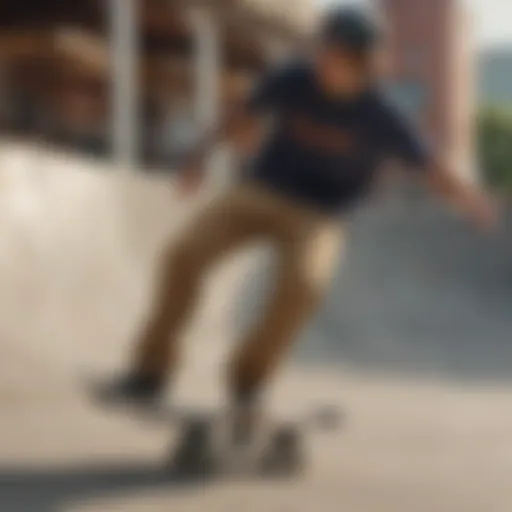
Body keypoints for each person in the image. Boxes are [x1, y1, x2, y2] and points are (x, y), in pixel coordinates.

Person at [97, 7, 497, 433]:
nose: (326, 66)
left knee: (304, 284)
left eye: (339, 59)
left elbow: (432, 167)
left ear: (364, 64)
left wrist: (471, 202)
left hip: (318, 215)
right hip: (259, 193)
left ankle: (248, 383)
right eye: (324, 53)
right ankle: (150, 371)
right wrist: (198, 156)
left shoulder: (382, 116)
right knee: (183, 255)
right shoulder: (292, 79)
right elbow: (241, 113)